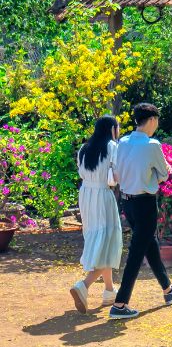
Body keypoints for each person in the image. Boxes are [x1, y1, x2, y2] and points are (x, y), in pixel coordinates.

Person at [108, 103, 172, 320]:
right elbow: (162, 175)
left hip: (127, 202)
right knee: (136, 252)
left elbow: (117, 170)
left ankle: (168, 290)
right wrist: (167, 170)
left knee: (148, 245)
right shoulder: (152, 145)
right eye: (157, 120)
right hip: (145, 203)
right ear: (152, 120)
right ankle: (120, 304)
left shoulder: (122, 142)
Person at [69, 115, 123, 313]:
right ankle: (84, 285)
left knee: (98, 237)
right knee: (108, 238)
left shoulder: (84, 149)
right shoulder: (112, 147)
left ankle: (109, 291)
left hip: (86, 195)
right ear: (111, 129)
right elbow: (115, 177)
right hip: (102, 194)